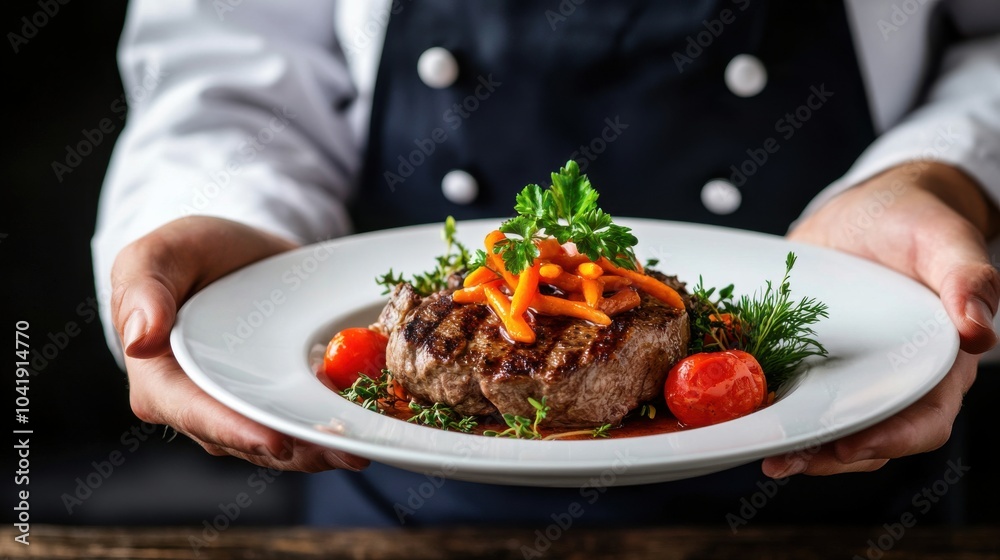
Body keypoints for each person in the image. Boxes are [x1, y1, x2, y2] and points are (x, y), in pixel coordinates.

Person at [95, 0, 1000, 525]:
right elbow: (233, 67)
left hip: (832, 492)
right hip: (398, 497)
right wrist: (223, 216)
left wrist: (945, 172)